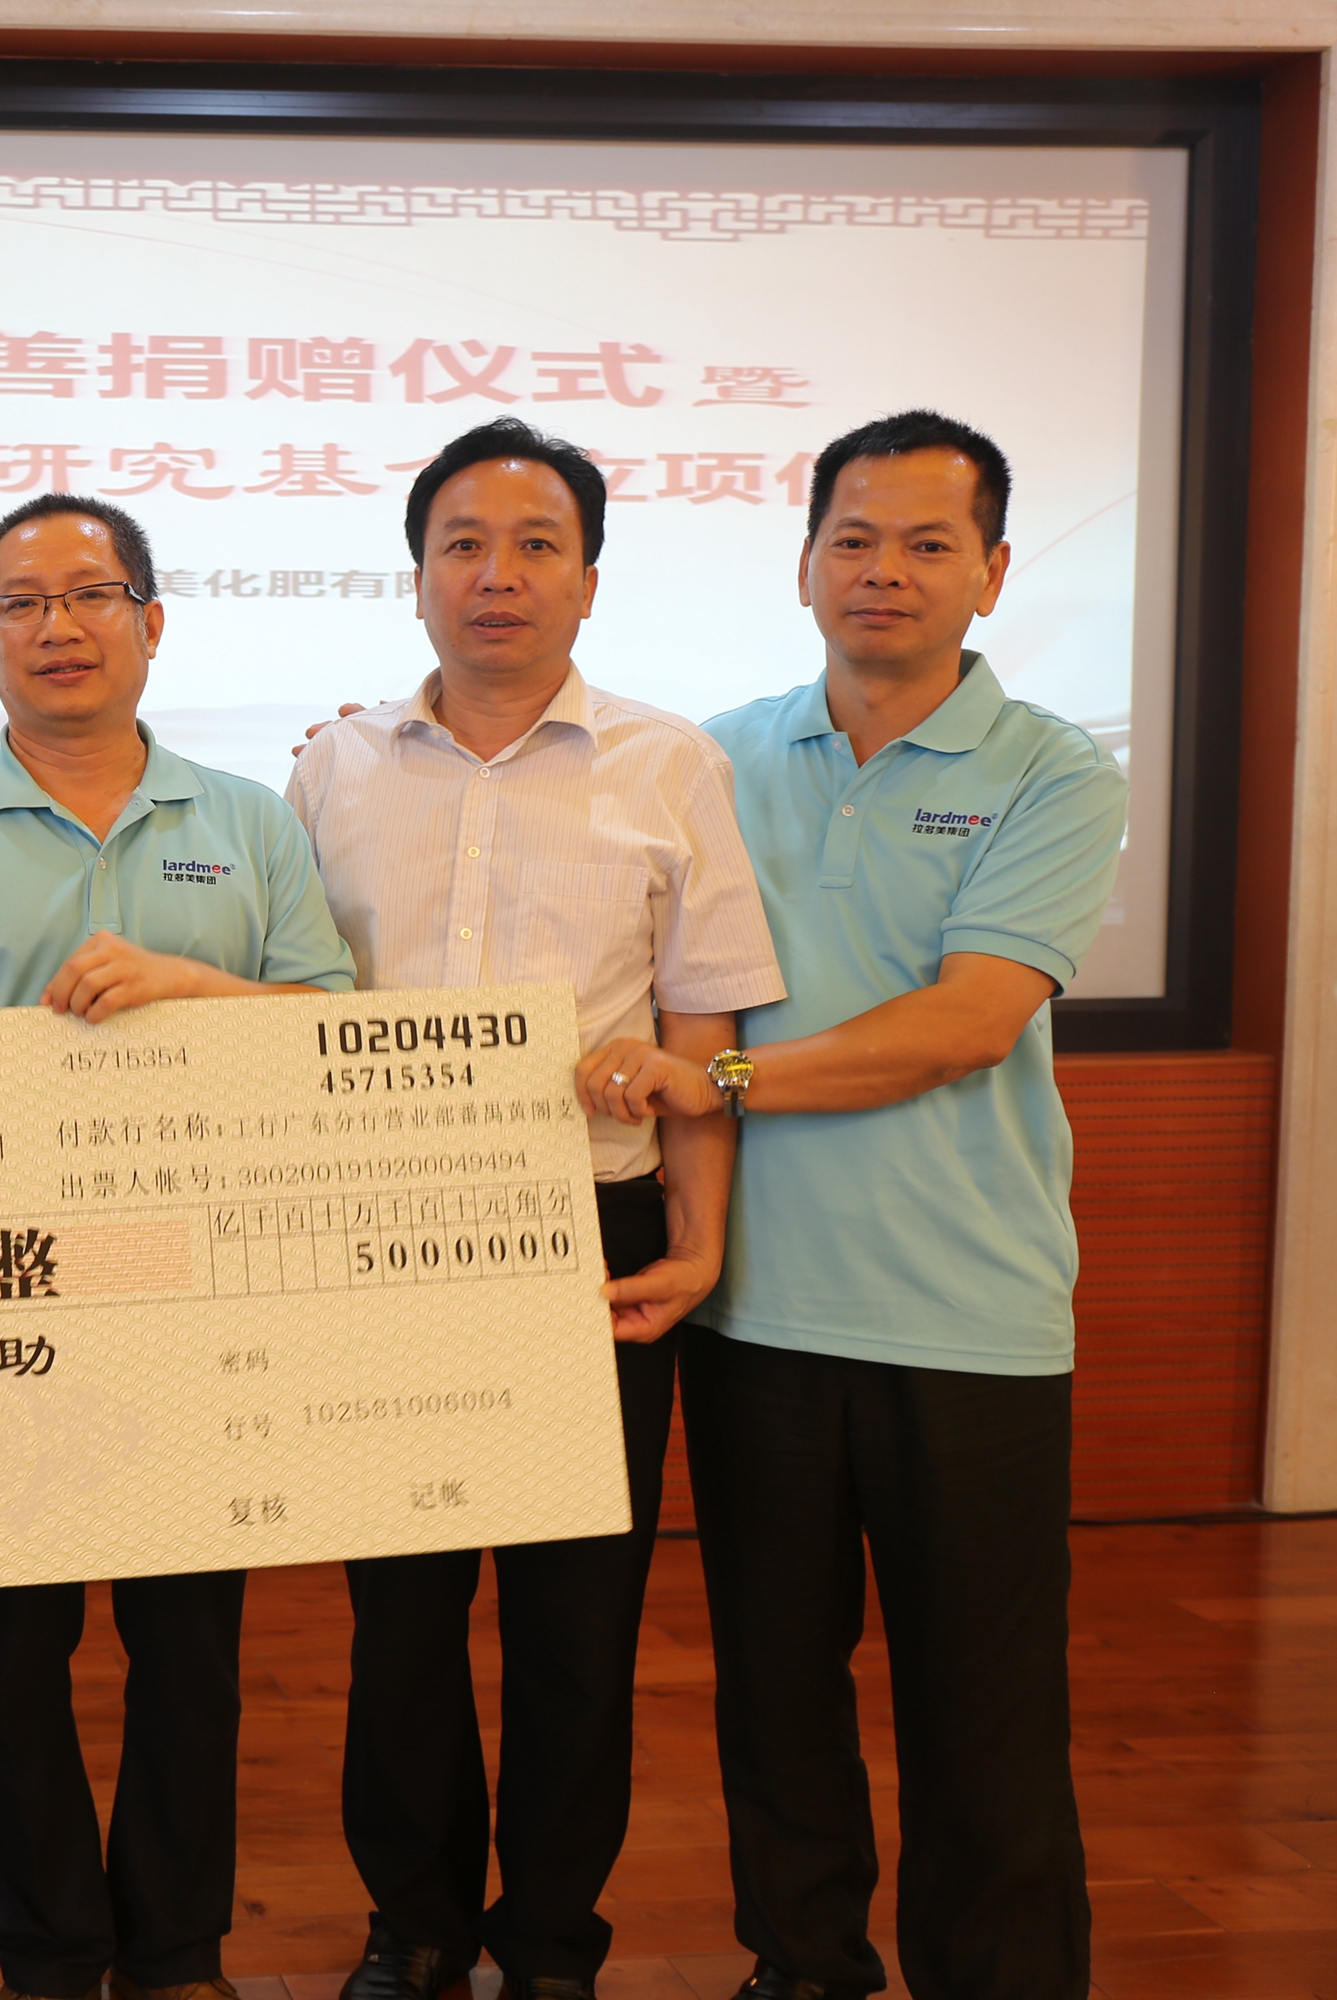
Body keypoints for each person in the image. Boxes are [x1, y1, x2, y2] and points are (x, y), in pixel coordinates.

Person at [601, 411, 1123, 2000]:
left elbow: (964, 1023)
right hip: (755, 1310)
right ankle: (801, 1969)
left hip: (970, 1321)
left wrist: (723, 1081)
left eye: (926, 544)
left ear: (993, 573)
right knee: (775, 1699)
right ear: (805, 563)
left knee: (985, 1712)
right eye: (853, 539)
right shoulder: (711, 759)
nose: (883, 571)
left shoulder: (1055, 770)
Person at [0, 493, 357, 2000]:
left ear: (151, 621)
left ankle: (178, 1950)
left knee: (192, 1655)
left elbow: (333, 1033)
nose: (58, 626)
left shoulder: (249, 821)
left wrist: (192, 989)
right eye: (22, 603)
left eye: (92, 594)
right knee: (12, 1658)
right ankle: (48, 1951)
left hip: (202, 1297)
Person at [283, 418, 785, 2000]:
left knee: (579, 1623)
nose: (496, 575)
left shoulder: (670, 764)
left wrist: (699, 1240)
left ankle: (555, 1940)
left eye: (535, 545)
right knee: (401, 1621)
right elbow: (286, 1006)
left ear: (589, 578)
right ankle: (416, 1924)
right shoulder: (331, 764)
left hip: (592, 1241)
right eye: (463, 545)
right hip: (379, 1241)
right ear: (417, 574)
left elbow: (702, 1022)